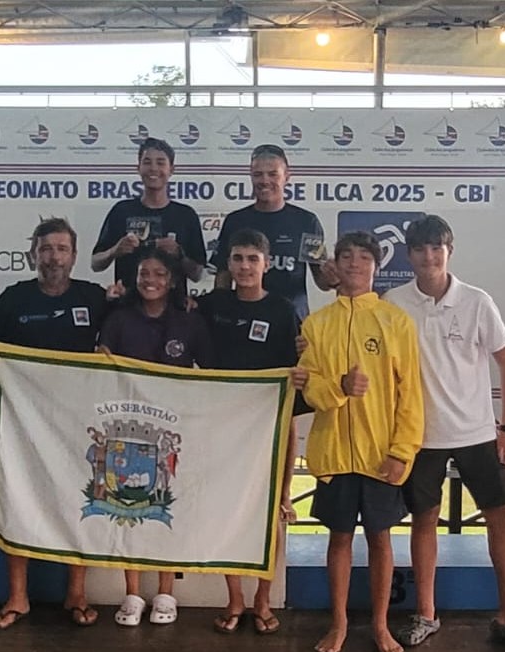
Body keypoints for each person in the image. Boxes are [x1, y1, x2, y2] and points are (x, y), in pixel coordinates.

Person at [383, 215, 505, 652]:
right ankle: (426, 614)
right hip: (420, 436)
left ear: (450, 250)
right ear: (408, 255)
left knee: (503, 516)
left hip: (478, 432)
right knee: (424, 520)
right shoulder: (393, 303)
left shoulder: (477, 301)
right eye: (420, 249)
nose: (429, 257)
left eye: (436, 248)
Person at [0, 217, 108, 629]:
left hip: (79, 420)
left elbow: (136, 327)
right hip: (23, 422)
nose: (53, 257)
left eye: (62, 249)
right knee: (18, 499)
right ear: (32, 255)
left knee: (81, 499)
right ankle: (18, 597)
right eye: (46, 249)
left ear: (74, 257)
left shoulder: (95, 297)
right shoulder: (14, 298)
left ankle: (76, 593)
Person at [295, 231, 423, 652]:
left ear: (376, 266)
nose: (354, 263)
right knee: (339, 540)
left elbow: (411, 395)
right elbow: (311, 388)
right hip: (334, 455)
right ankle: (339, 624)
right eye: (346, 256)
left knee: (381, 540)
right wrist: (340, 387)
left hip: (380, 456)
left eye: (364, 257)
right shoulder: (316, 324)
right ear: (333, 265)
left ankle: (381, 625)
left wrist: (402, 451)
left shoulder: (395, 321)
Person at [98, 247, 214, 627]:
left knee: (167, 505)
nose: (151, 280)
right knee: (127, 506)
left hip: (175, 429)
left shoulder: (189, 321)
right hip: (126, 426)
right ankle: (132, 593)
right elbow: (101, 365)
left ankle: (166, 592)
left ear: (173, 280)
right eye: (144, 273)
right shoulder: (118, 319)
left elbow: (212, 371)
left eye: (159, 273)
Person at [195, 228, 303, 636]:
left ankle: (263, 599)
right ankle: (235, 598)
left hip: (267, 430)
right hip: (223, 427)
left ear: (267, 264)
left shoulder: (282, 310)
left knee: (269, 517)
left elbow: (290, 400)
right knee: (230, 514)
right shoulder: (210, 305)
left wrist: (288, 486)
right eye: (238, 258)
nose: (244, 267)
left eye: (252, 259)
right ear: (228, 264)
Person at [210, 143, 337, 321]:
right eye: (258, 174)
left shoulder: (306, 221)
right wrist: (219, 314)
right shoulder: (235, 221)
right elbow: (223, 277)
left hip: (292, 322)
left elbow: (321, 280)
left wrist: (334, 277)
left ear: (287, 176)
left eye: (272, 174)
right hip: (245, 320)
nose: (265, 181)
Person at [91, 137, 206, 291]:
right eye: (147, 162)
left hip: (172, 304)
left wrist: (179, 255)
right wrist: (114, 251)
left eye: (160, 163)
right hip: (128, 302)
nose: (153, 168)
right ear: (138, 168)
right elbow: (95, 263)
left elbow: (197, 275)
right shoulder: (121, 210)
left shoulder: (186, 215)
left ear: (171, 170)